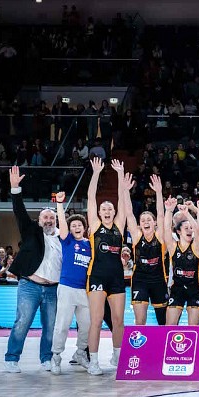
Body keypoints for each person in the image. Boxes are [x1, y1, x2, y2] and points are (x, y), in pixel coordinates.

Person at [4, 166, 61, 373]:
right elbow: (19, 211)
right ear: (39, 220)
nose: (48, 220)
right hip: (30, 285)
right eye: (45, 217)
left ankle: (46, 359)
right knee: (22, 322)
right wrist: (15, 188)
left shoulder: (63, 237)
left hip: (53, 289)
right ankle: (12, 358)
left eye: (51, 218)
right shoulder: (30, 231)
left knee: (50, 328)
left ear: (56, 220)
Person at [85, 158, 129, 376]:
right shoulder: (94, 225)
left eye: (110, 208)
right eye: (104, 208)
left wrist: (120, 175)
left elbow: (123, 200)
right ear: (100, 213)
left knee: (119, 321)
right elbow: (90, 198)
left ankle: (117, 355)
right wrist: (95, 173)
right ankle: (93, 361)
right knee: (96, 321)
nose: (107, 210)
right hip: (97, 277)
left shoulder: (119, 226)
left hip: (117, 278)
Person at [50, 191, 92, 375]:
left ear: (84, 228)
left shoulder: (90, 245)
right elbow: (62, 221)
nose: (76, 227)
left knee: (87, 325)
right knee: (63, 324)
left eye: (79, 225)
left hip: (85, 291)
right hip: (66, 288)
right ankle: (56, 356)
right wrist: (60, 204)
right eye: (73, 225)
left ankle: (81, 352)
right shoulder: (67, 242)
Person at [123, 173, 168, 325]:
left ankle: (163, 346)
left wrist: (159, 192)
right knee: (140, 321)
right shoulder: (137, 236)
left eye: (149, 219)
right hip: (140, 280)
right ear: (139, 224)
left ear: (154, 223)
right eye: (143, 220)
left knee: (163, 320)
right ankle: (140, 348)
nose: (145, 221)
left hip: (159, 280)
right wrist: (125, 191)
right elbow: (129, 213)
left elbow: (161, 214)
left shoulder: (159, 235)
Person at [162, 198, 199, 326]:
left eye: (190, 228)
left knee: (194, 328)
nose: (190, 230)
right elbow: (166, 230)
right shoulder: (173, 246)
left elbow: (198, 230)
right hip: (177, 289)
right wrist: (169, 211)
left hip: (194, 289)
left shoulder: (196, 246)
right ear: (179, 231)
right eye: (186, 228)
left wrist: (187, 214)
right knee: (170, 326)